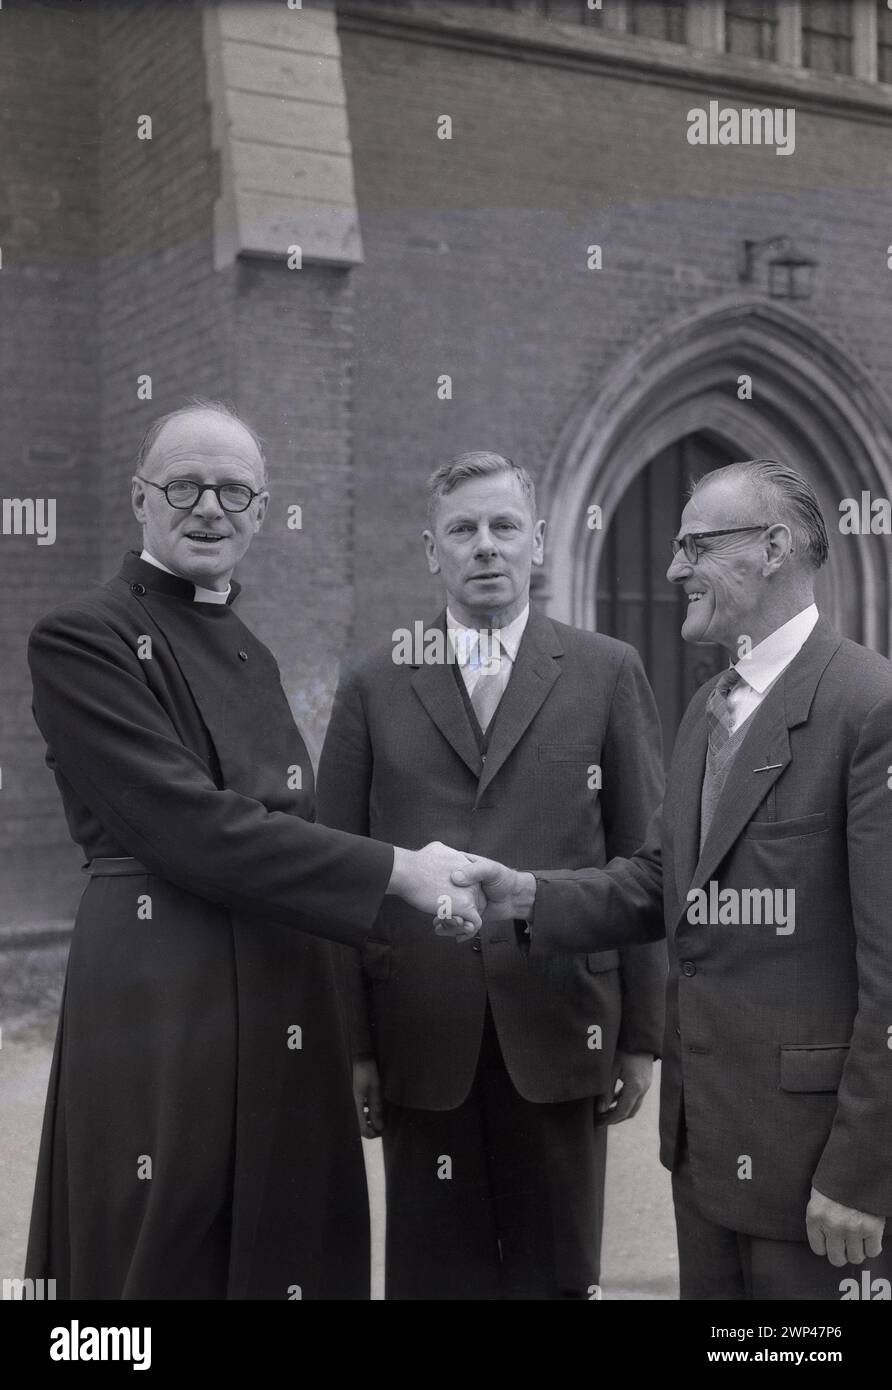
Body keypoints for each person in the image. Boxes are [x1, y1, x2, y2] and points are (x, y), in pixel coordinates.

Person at [24, 399, 481, 1300]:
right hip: (164, 979)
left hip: (282, 976)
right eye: (184, 485)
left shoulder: (252, 647)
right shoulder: (84, 637)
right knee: (164, 1240)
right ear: (139, 498)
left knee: (284, 1237)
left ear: (263, 510)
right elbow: (190, 826)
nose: (209, 508)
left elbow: (278, 826)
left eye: (235, 490)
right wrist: (398, 871)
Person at [457, 459, 892, 1300]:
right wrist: (524, 895)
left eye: (696, 546)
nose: (672, 570)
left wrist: (864, 1173)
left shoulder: (869, 706)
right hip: (705, 1159)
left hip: (821, 1181)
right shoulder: (707, 707)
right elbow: (668, 883)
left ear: (773, 549)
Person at [316, 451, 665, 1300]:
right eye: (462, 530)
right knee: (435, 1281)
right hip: (418, 1036)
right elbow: (338, 872)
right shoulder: (372, 682)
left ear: (538, 542)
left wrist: (642, 1036)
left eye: (504, 526)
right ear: (430, 550)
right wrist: (352, 1047)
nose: (485, 547)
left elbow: (649, 863)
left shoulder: (607, 671)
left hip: (562, 1027)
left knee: (557, 1277)